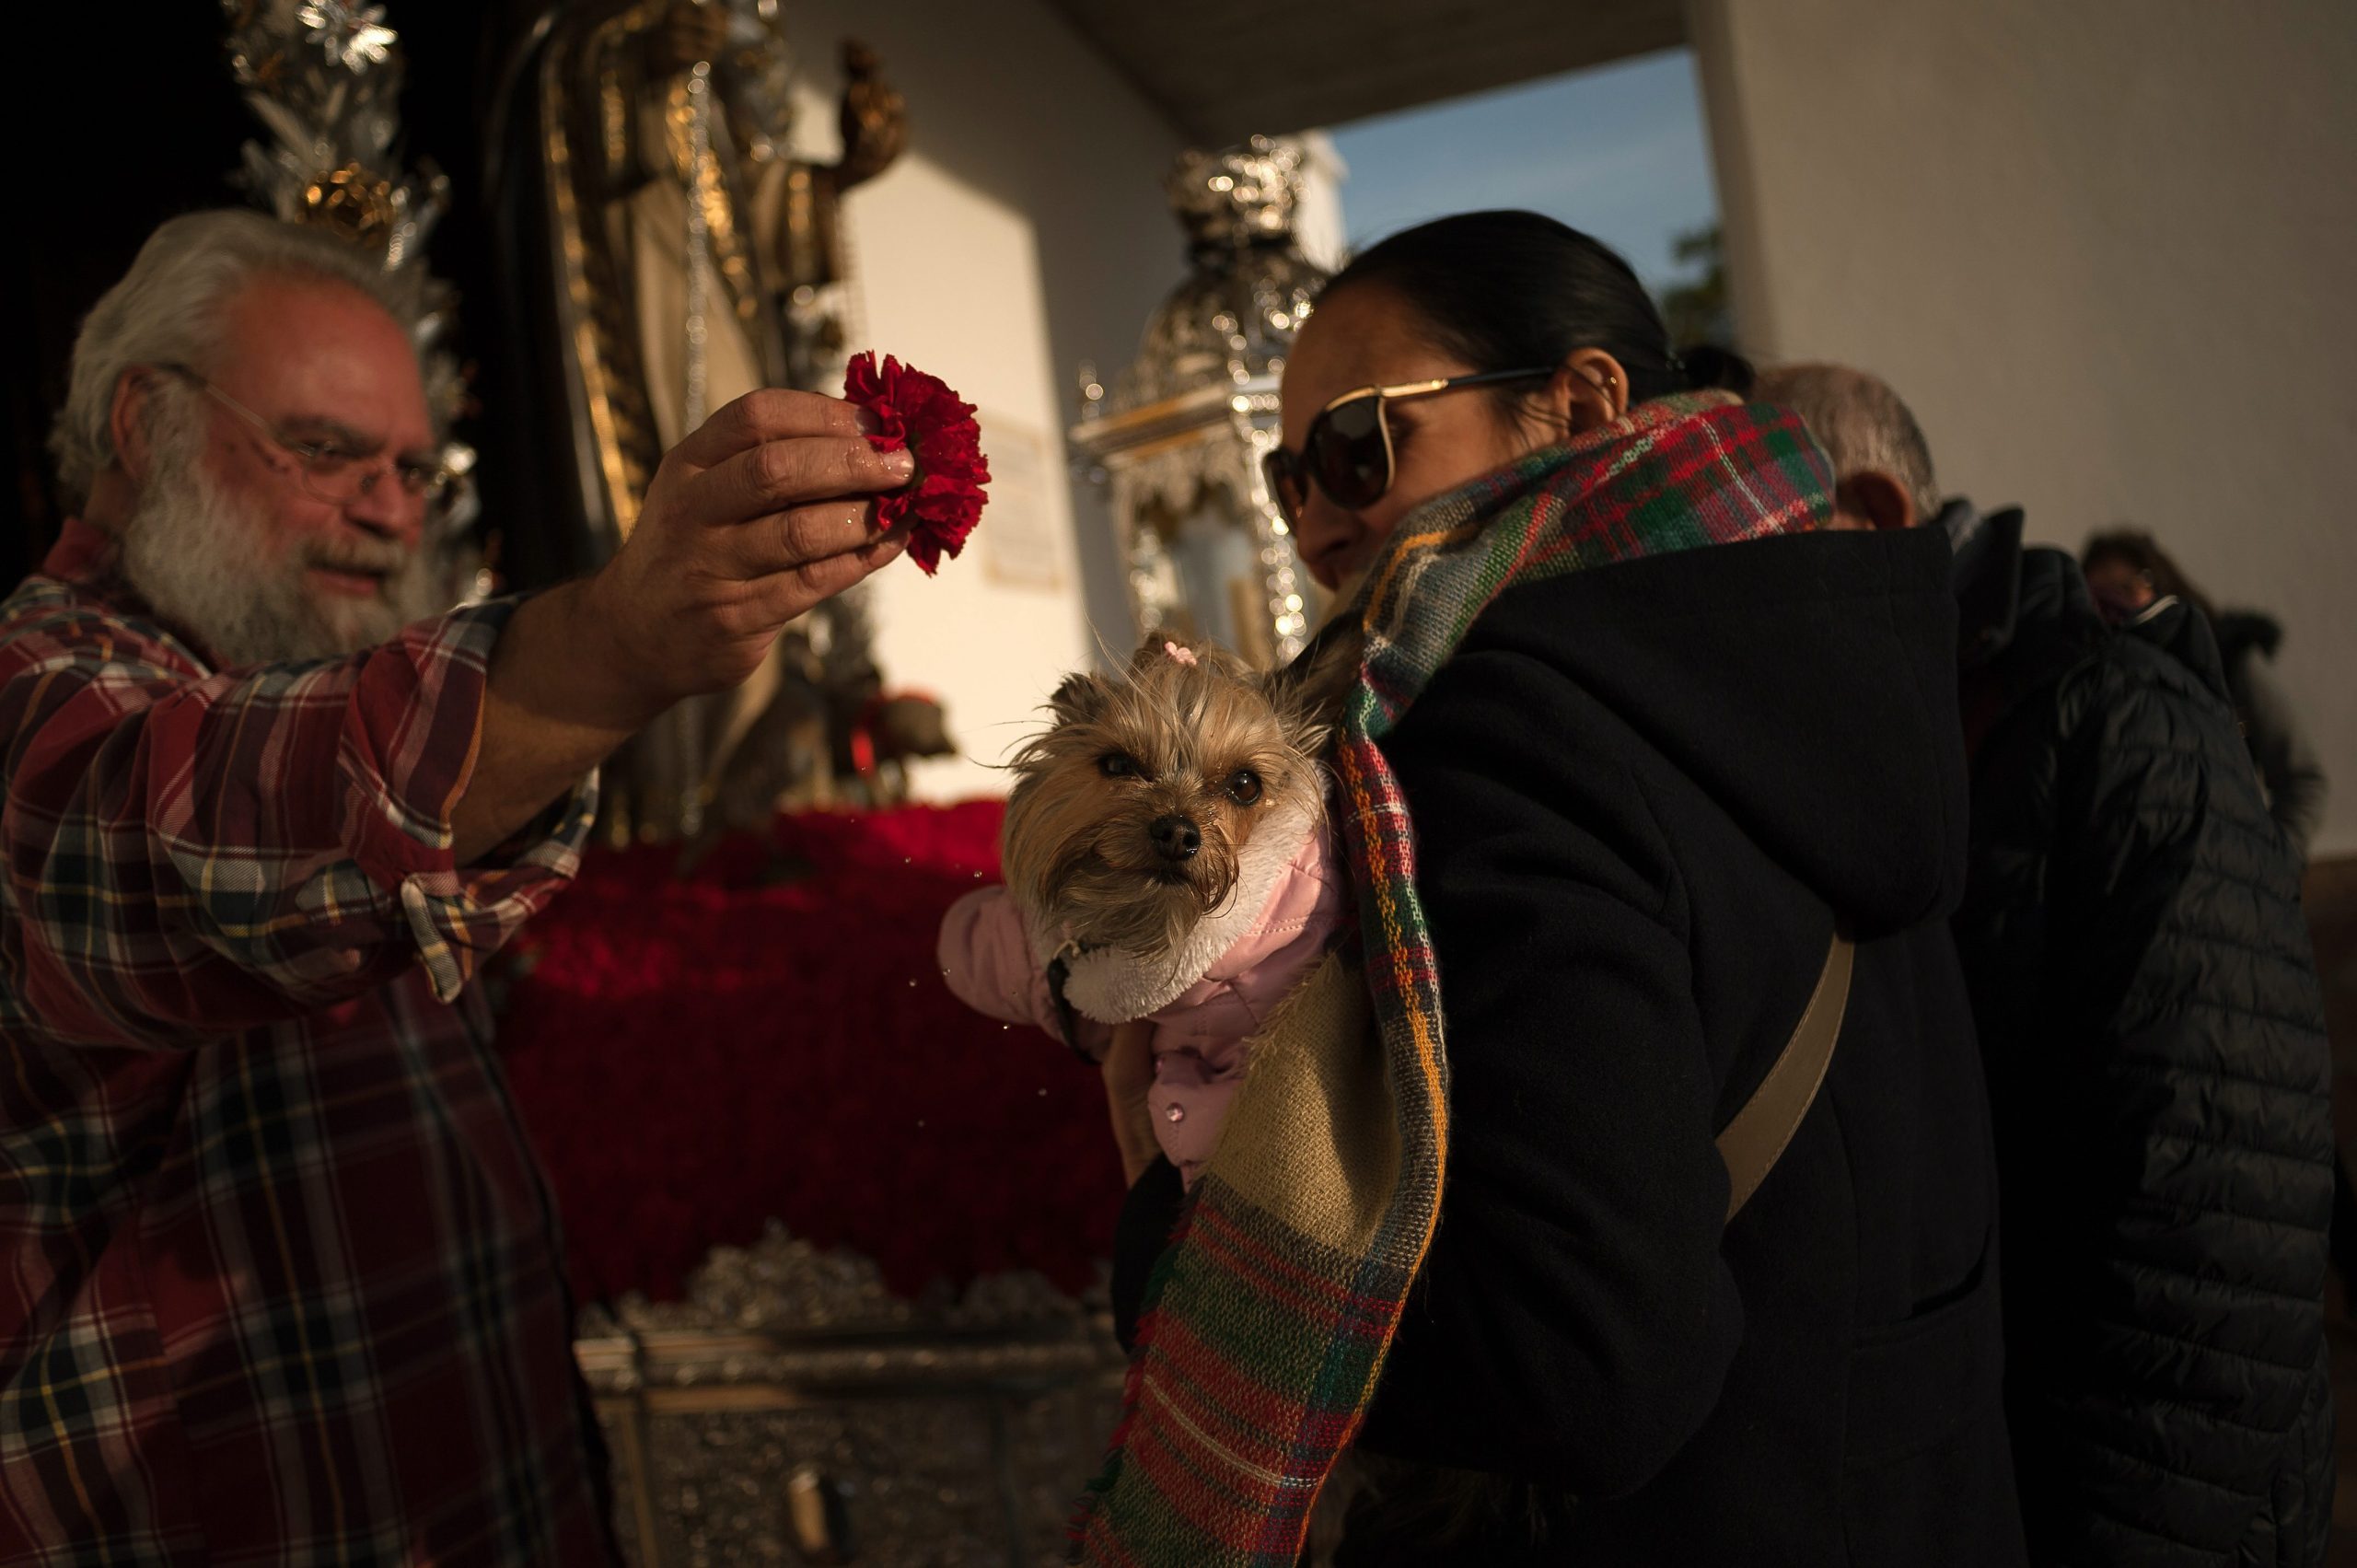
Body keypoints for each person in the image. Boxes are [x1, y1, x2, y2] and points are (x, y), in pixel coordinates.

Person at [1091, 213, 2023, 1566]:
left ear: (1577, 401)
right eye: (1287, 475)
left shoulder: (1510, 727)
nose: (1313, 516)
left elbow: (1584, 1362)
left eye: (1362, 441)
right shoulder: (1821, 647)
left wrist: (1180, 1234)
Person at [1, 208, 912, 1563]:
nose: (387, 508)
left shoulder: (267, 671)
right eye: (328, 451)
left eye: (416, 467)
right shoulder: (37, 690)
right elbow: (206, 832)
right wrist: (613, 640)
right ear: (143, 424)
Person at [1756, 362, 2335, 1566]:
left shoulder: (2124, 726)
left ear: (1868, 515)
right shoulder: (1879, 747)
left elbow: (2215, 1231)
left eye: (1739, 546)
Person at [2082, 528, 2329, 859]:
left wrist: (2274, 864)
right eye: (2099, 598)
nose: (2117, 607)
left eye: (2128, 587)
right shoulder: (2092, 682)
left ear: (2163, 584)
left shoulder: (2231, 659)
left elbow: (2302, 778)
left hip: (2232, 877)